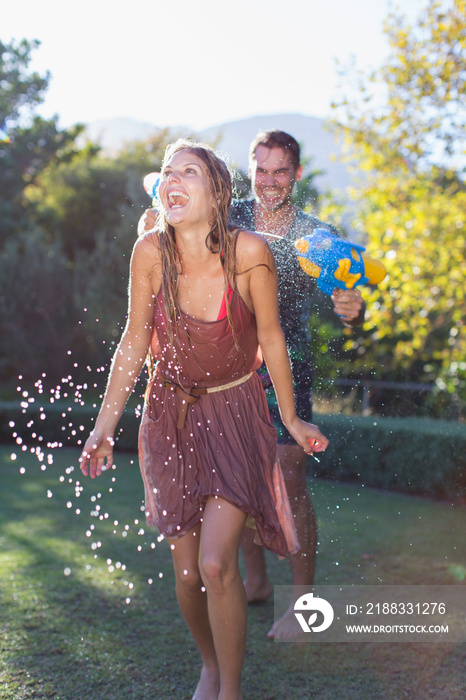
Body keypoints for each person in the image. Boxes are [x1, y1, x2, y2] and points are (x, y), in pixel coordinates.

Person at [80, 138, 329, 700]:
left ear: (215, 192)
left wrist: (290, 418)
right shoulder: (149, 252)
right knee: (189, 574)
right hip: (169, 418)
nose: (174, 178)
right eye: (169, 171)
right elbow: (133, 342)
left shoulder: (249, 253)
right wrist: (102, 428)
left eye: (188, 171)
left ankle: (231, 689)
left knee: (217, 565)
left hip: (237, 414)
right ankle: (209, 664)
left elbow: (272, 338)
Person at [227, 130, 366, 640]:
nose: (269, 181)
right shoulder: (228, 216)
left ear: (297, 175)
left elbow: (348, 301)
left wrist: (352, 308)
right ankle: (257, 581)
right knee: (237, 479)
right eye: (261, 170)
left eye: (280, 171)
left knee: (288, 478)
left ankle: (304, 605)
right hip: (232, 365)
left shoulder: (317, 236)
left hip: (289, 368)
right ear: (251, 170)